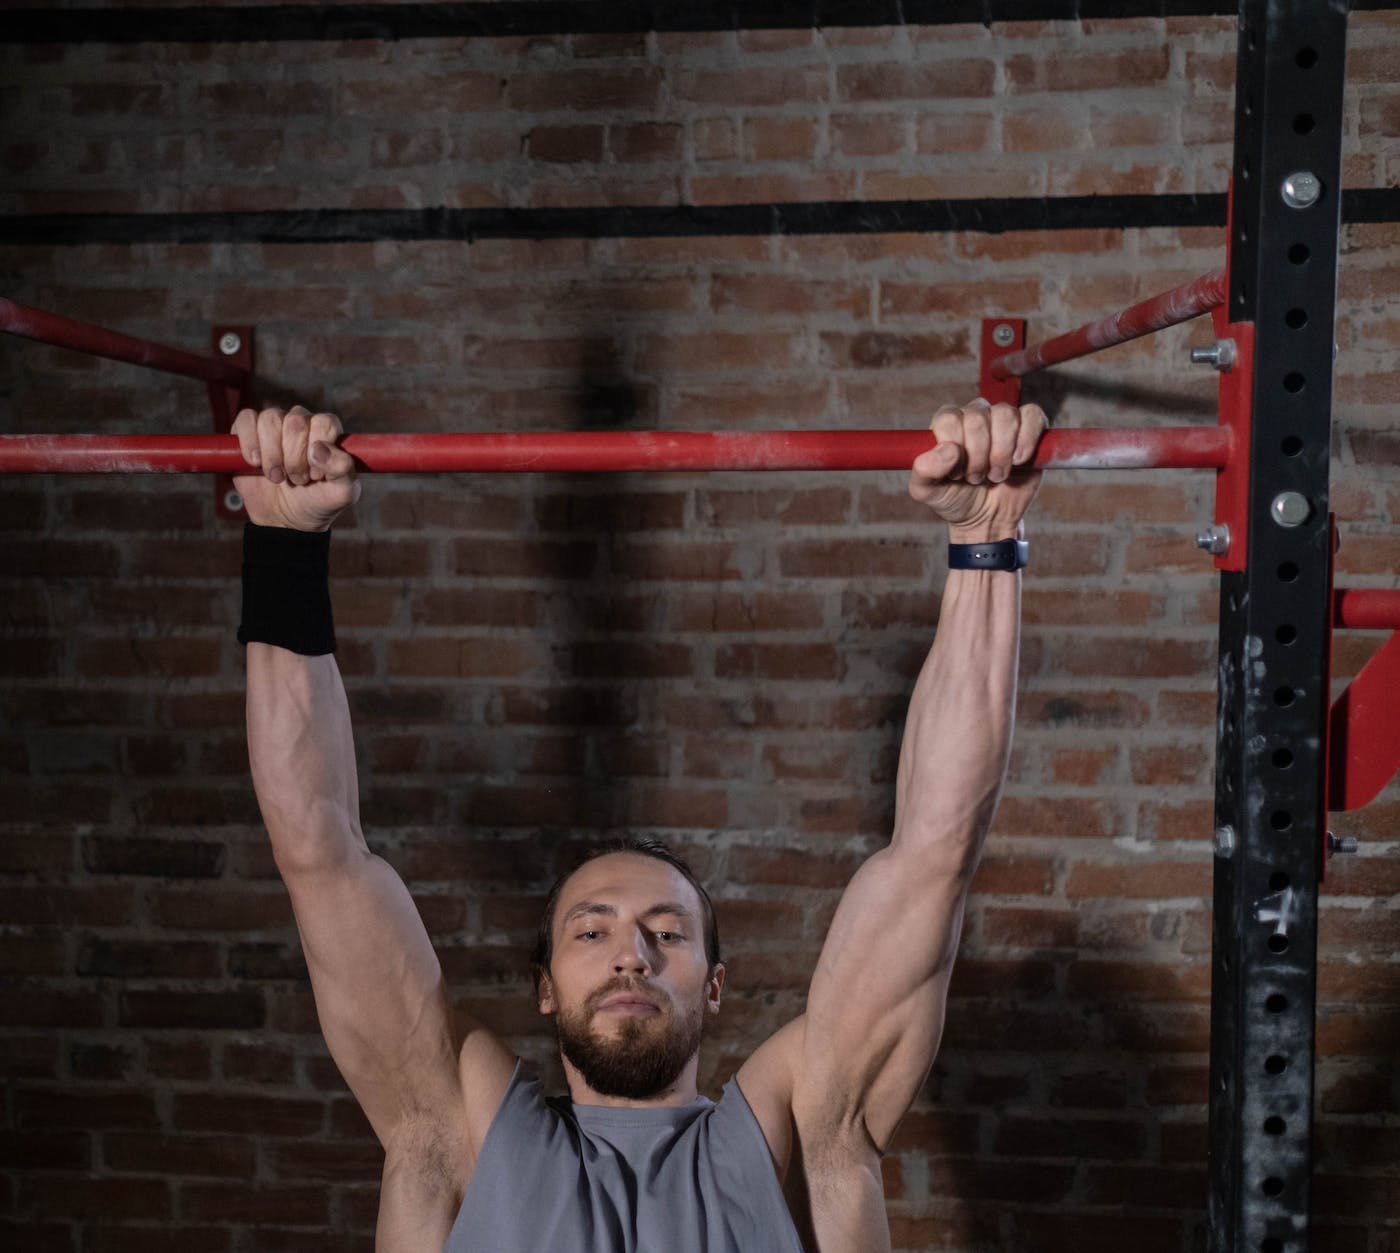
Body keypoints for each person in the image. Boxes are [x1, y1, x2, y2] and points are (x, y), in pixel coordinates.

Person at [231, 397, 1048, 1253]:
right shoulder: (454, 1133)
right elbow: (319, 852)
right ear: (544, 985)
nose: (632, 952)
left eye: (667, 930)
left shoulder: (802, 1139)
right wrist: (283, 543)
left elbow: (935, 854)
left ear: (717, 985)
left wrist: (985, 542)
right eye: (592, 930)